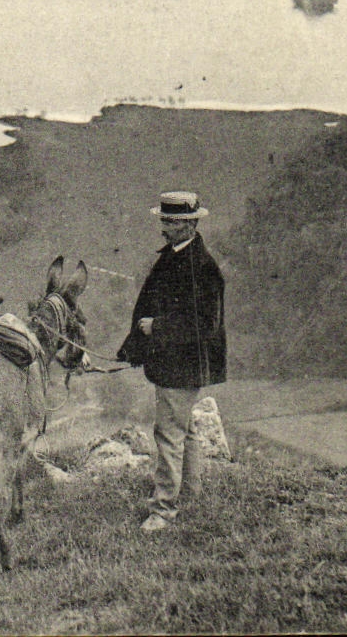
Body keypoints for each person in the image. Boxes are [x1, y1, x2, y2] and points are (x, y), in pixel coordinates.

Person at [116, 191, 227, 532]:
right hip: (173, 363)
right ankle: (190, 494)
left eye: (171, 222)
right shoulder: (174, 256)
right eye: (163, 220)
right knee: (184, 429)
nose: (164, 227)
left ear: (190, 225)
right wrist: (134, 347)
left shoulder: (203, 268)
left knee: (168, 434)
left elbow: (205, 325)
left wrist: (157, 328)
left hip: (183, 366)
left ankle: (163, 509)